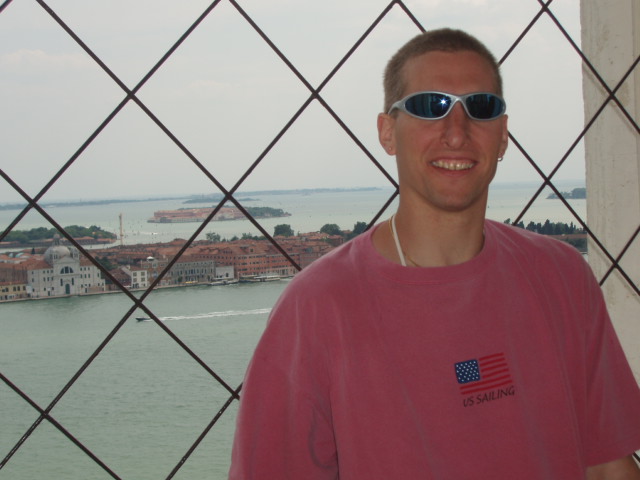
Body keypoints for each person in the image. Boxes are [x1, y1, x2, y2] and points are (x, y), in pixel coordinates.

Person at [229, 28, 640, 479]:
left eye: (480, 108)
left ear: (502, 136)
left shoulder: (562, 277)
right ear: (388, 132)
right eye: (430, 106)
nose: (457, 133)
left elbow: (607, 465)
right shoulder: (316, 307)